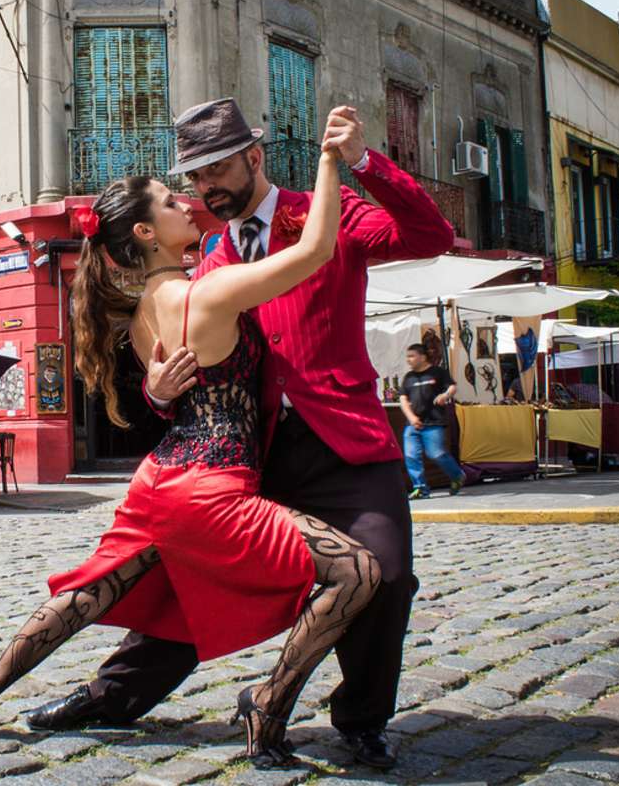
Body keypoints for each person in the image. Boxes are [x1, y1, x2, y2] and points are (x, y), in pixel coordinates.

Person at [27, 98, 454, 770]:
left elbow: (431, 235)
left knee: (389, 578)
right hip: (253, 460)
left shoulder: (325, 210)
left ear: (254, 158)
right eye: (193, 180)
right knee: (186, 579)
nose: (204, 191)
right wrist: (155, 392)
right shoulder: (210, 257)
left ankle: (361, 719)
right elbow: (199, 363)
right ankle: (110, 696)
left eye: (215, 171)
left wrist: (363, 163)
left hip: (345, 446)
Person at [0, 131, 382, 770]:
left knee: (91, 592)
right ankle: (270, 704)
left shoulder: (143, 309)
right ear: (146, 234)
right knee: (358, 574)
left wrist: (153, 387)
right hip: (212, 487)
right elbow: (315, 248)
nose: (185, 201)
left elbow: (175, 389)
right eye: (171, 201)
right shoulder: (209, 292)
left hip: (159, 479)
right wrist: (332, 160)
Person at [399, 343, 465, 499]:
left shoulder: (438, 372)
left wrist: (445, 395)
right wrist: (411, 417)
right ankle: (420, 488)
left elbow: (452, 386)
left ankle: (457, 475)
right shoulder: (409, 377)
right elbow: (403, 399)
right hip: (413, 424)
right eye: (407, 357)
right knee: (410, 455)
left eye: (412, 356)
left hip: (434, 421)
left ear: (422, 357)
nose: (409, 360)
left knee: (436, 454)